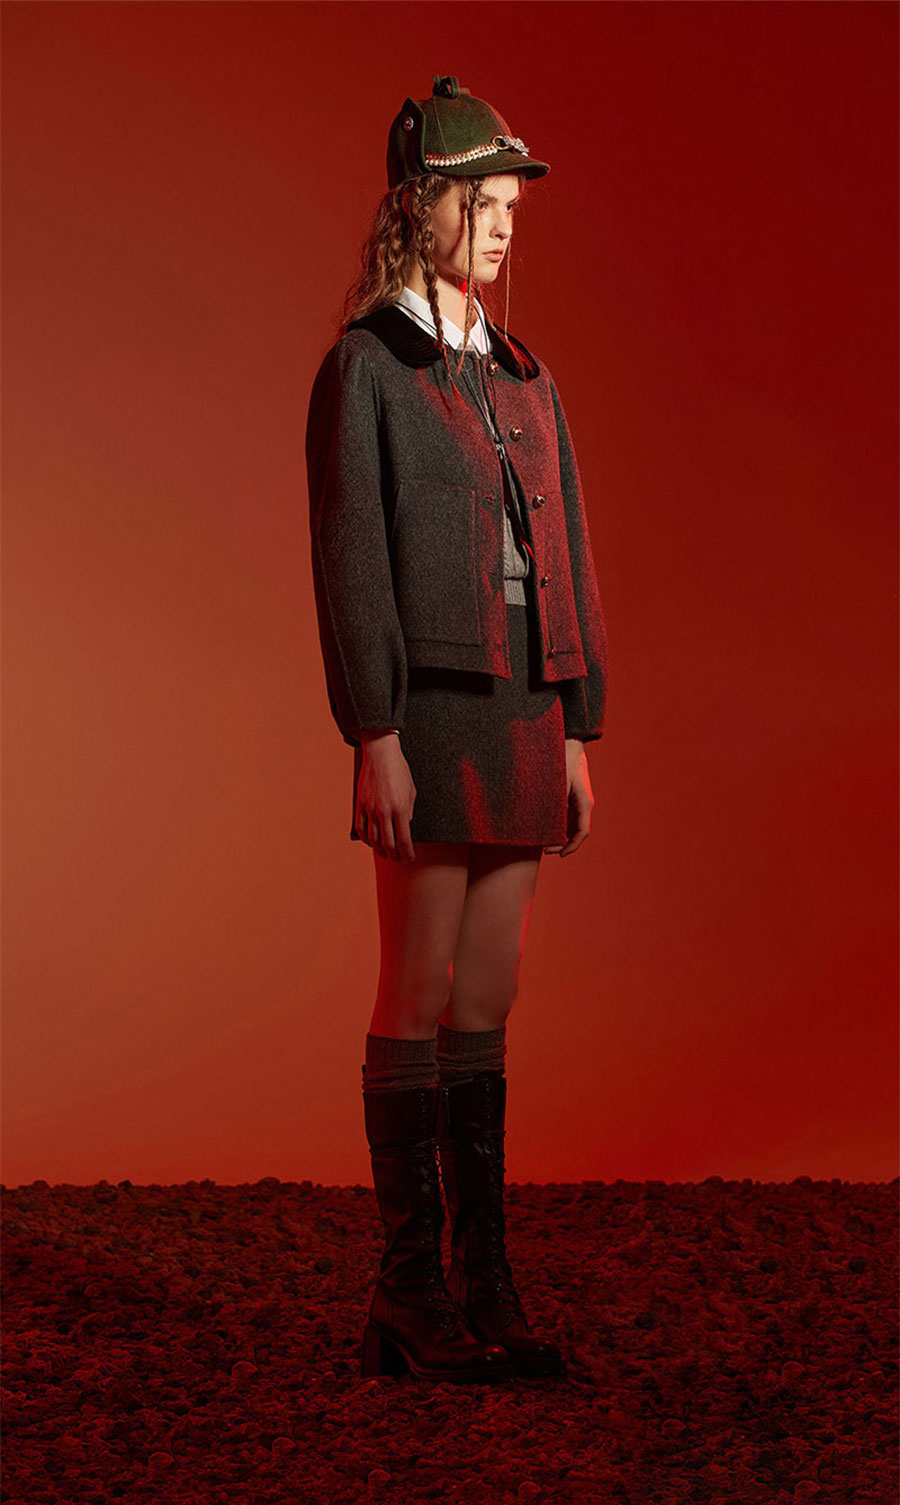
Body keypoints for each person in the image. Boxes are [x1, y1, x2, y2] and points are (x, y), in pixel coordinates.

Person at [305, 74, 610, 1385]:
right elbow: (351, 564)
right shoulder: (367, 367)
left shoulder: (527, 378)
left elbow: (571, 551)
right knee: (418, 987)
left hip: (526, 712)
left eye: (509, 204)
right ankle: (409, 1288)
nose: (501, 222)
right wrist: (373, 730)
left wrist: (578, 724)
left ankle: (485, 1280)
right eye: (479, 199)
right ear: (419, 205)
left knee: (491, 992)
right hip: (428, 710)